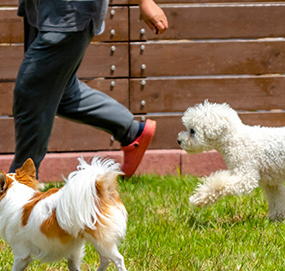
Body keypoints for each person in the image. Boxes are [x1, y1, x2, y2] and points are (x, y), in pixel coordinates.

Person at [9, 0, 169, 179]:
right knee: (62, 92)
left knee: (32, 92)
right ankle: (132, 132)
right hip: (41, 7)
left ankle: (20, 182)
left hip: (70, 11)